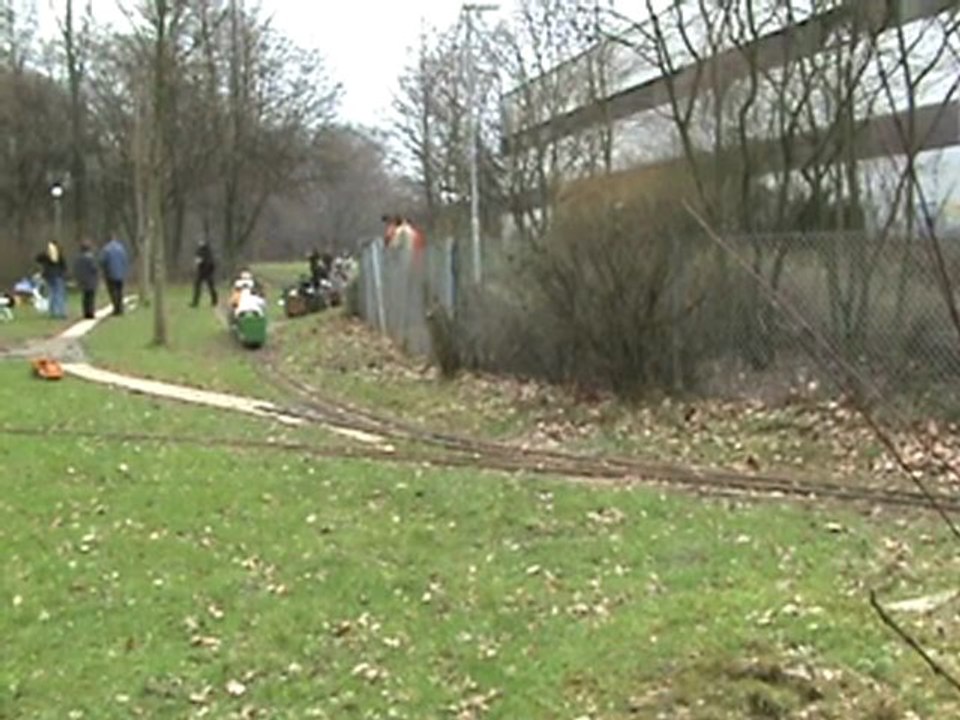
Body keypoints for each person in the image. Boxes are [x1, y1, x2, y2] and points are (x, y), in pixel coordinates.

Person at [35, 240, 67, 319]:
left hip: (48, 276)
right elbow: (64, 266)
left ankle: (53, 312)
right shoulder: (59, 254)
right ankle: (60, 312)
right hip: (58, 276)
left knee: (52, 294)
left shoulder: (46, 255)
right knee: (59, 294)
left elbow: (37, 258)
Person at [99, 235, 129, 316]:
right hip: (121, 273)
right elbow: (125, 260)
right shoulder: (121, 248)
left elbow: (102, 261)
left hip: (110, 273)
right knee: (120, 291)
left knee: (113, 291)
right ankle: (120, 308)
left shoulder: (106, 249)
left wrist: (103, 271)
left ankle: (116, 309)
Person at [73, 240, 99, 319]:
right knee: (90, 297)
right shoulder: (90, 258)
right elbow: (94, 268)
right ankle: (90, 313)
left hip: (82, 280)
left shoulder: (78, 258)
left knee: (85, 297)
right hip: (90, 280)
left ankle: (85, 312)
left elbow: (76, 269)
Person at [191, 240, 218, 307]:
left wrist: (209, 269)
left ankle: (214, 301)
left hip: (208, 272)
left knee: (211, 287)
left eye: (201, 242)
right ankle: (195, 302)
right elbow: (197, 260)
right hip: (201, 272)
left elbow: (211, 263)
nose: (200, 243)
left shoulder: (208, 252)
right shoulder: (199, 251)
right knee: (197, 286)